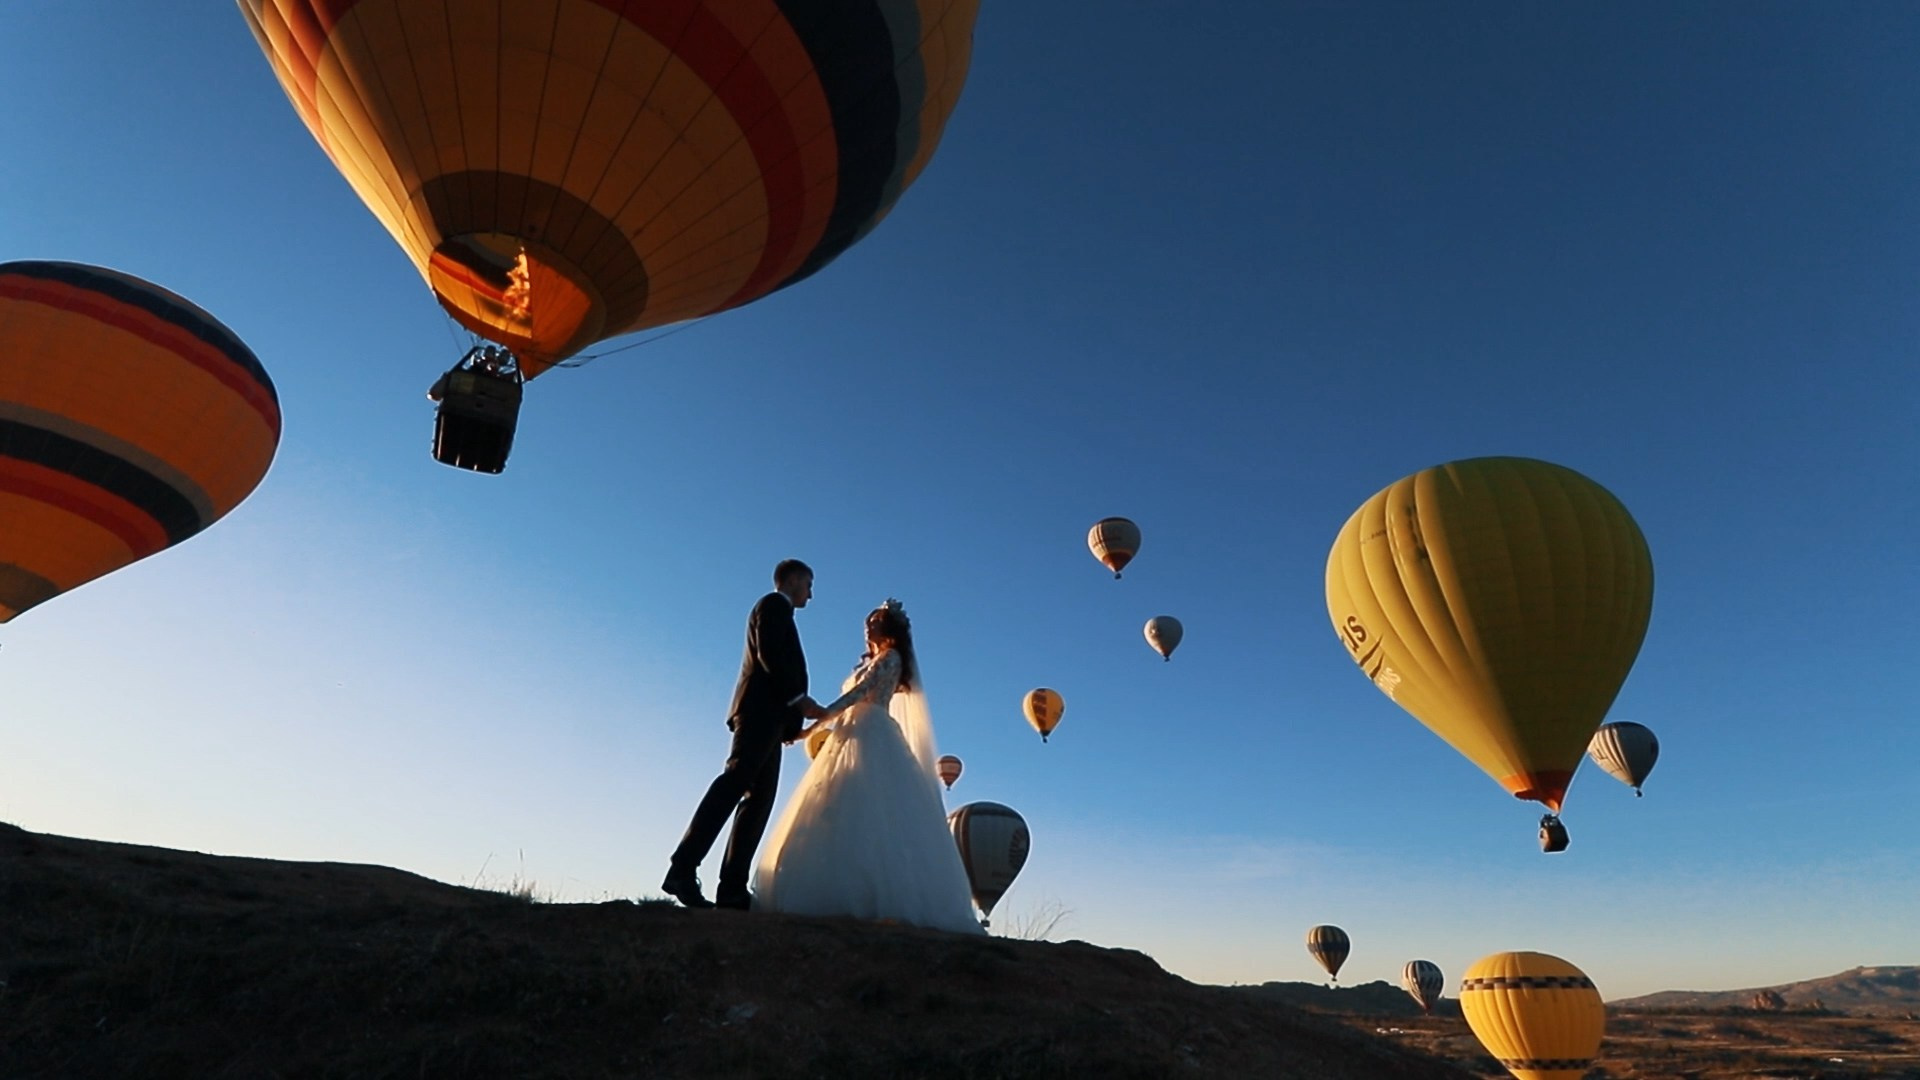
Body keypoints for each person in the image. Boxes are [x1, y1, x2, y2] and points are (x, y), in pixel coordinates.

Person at [752, 599, 984, 934]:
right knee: (835, 805)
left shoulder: (891, 658)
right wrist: (818, 727)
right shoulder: (872, 660)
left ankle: (873, 897)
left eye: (875, 620)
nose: (867, 625)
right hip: (849, 734)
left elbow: (858, 695)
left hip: (872, 731)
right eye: (867, 620)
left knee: (870, 808)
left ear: (888, 627)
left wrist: (813, 723)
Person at [664, 559, 824, 909]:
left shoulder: (784, 614)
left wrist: (792, 725)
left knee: (758, 802)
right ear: (793, 580)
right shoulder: (771, 605)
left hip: (774, 720)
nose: (811, 594)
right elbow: (770, 655)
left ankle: (732, 889)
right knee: (735, 783)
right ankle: (682, 869)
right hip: (758, 714)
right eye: (808, 585)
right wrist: (799, 700)